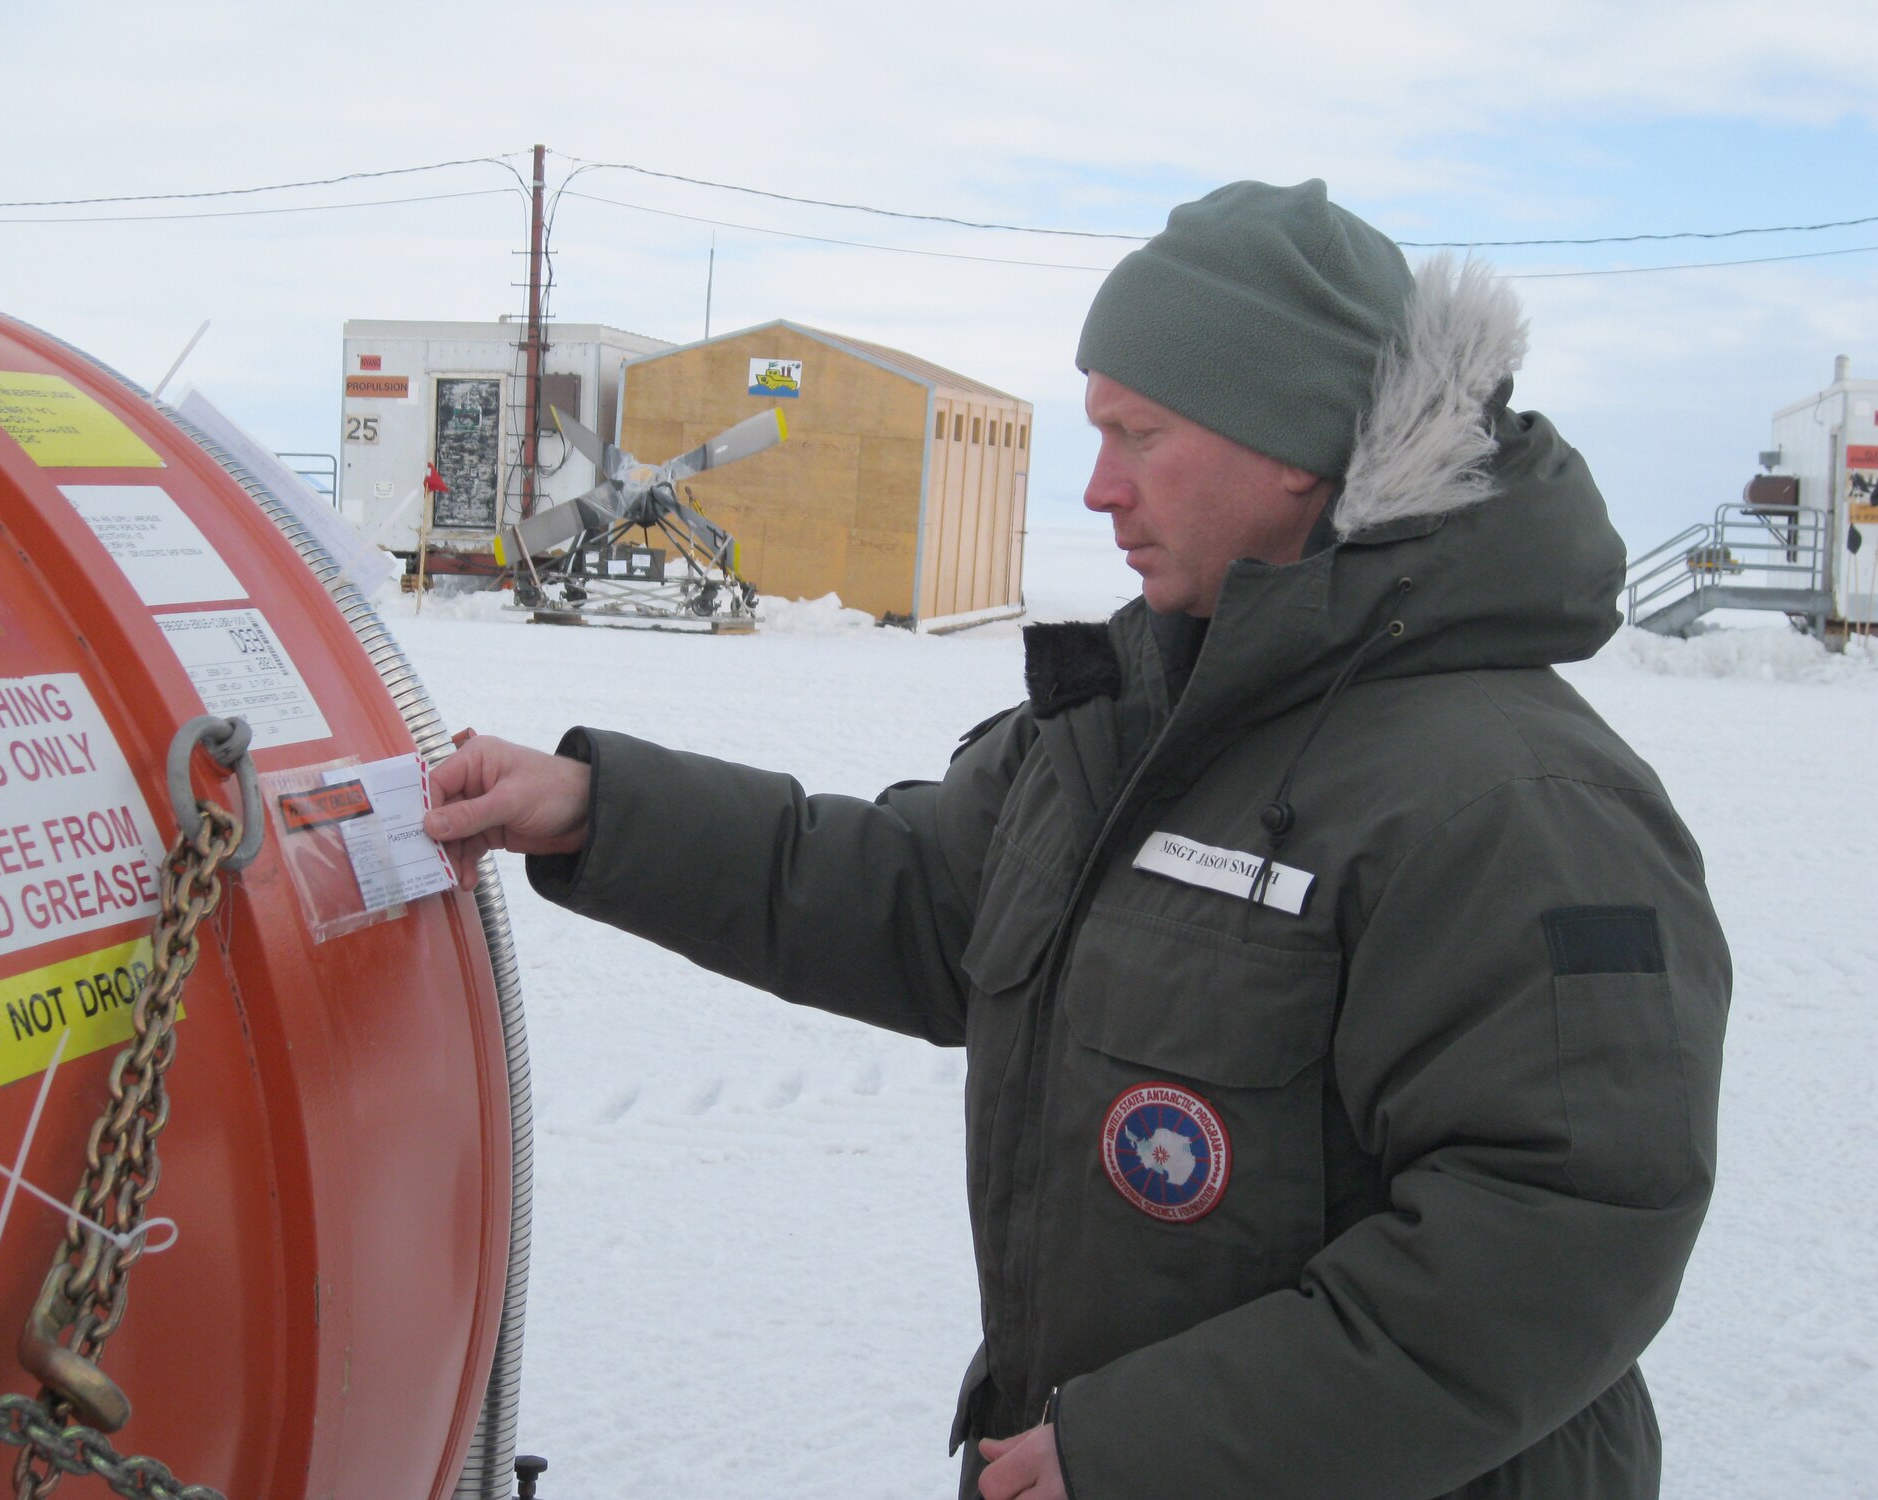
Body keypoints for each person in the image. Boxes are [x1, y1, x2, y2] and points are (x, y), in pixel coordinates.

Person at [425, 179, 1729, 1499]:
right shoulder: (1135, 721)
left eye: (1138, 433)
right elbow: (917, 895)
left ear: (1293, 447)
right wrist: (598, 810)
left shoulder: (1516, 799)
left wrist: (1150, 1451)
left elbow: (1556, 1239)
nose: (1098, 487)